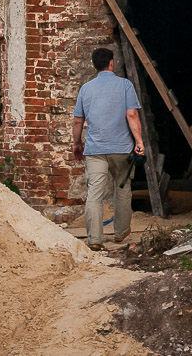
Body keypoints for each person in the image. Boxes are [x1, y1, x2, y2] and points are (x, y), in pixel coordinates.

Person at [72, 46, 145, 251]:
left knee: (95, 193)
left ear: (94, 66)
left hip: (95, 149)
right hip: (121, 148)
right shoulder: (125, 85)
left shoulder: (86, 89)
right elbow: (132, 115)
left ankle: (95, 239)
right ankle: (121, 234)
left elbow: (78, 120)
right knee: (122, 189)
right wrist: (139, 142)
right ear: (112, 63)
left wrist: (77, 143)